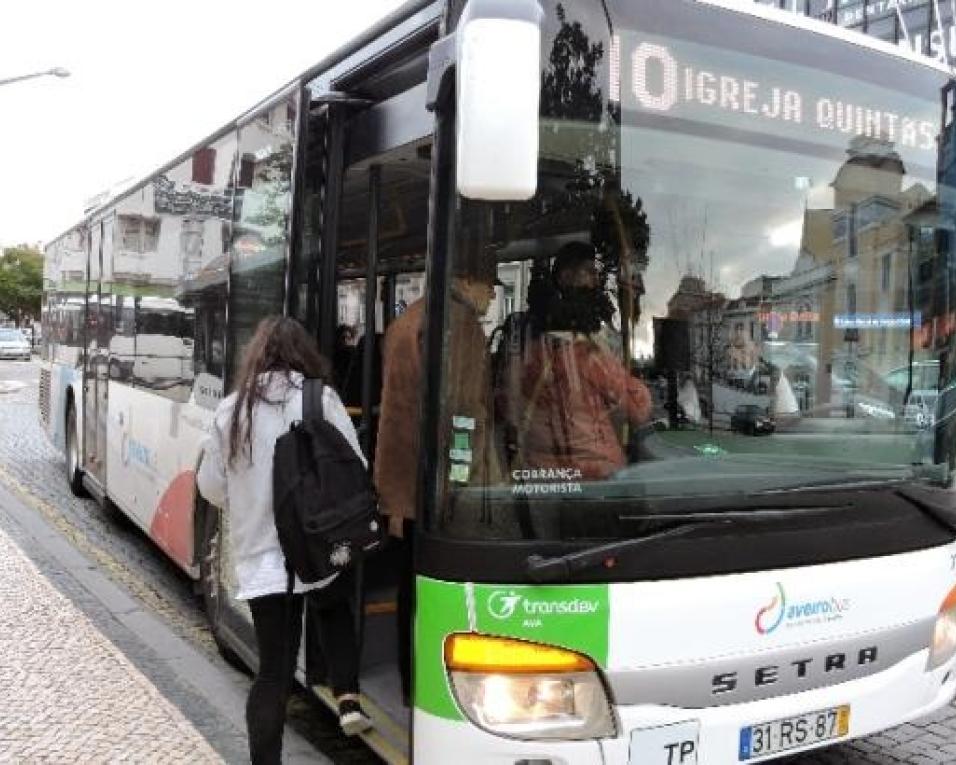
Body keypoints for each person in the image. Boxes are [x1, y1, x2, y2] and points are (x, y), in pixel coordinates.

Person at [196, 316, 371, 765]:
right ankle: (347, 694)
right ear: (304, 353)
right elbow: (356, 468)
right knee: (335, 609)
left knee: (273, 672)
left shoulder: (231, 410)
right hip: (318, 547)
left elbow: (211, 488)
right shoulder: (321, 399)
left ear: (256, 354)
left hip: (263, 561)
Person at [374, 264, 497, 703]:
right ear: (464, 280)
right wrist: (466, 481)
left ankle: (411, 684)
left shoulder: (407, 319)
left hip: (401, 479)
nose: (492, 295)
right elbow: (464, 412)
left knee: (411, 588)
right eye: (488, 282)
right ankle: (433, 691)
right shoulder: (459, 326)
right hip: (439, 485)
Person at [514, 241, 653, 479]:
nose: (596, 281)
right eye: (589, 272)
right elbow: (638, 407)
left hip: (543, 473)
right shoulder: (585, 351)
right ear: (566, 277)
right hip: (593, 476)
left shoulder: (528, 344)